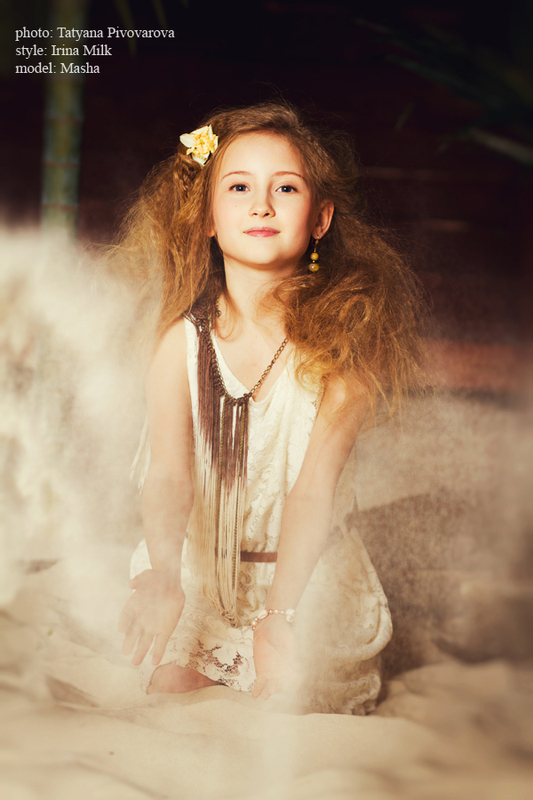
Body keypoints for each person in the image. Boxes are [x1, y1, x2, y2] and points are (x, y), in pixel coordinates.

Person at [117, 101, 423, 714]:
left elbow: (312, 493)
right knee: (171, 688)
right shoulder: (180, 343)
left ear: (321, 218)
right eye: (238, 187)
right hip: (204, 577)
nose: (261, 205)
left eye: (285, 188)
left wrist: (280, 616)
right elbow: (170, 475)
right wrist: (164, 575)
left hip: (302, 583)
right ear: (207, 217)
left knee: (283, 701)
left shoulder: (343, 348)